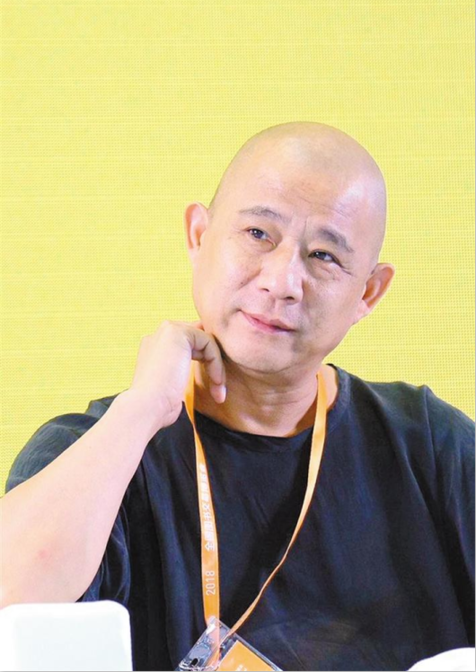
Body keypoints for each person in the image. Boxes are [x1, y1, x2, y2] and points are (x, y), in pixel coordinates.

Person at [1, 122, 474, 672]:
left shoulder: (431, 448)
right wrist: (143, 409)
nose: (282, 281)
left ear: (368, 291)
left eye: (324, 256)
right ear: (199, 235)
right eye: (257, 234)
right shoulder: (99, 450)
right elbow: (12, 601)